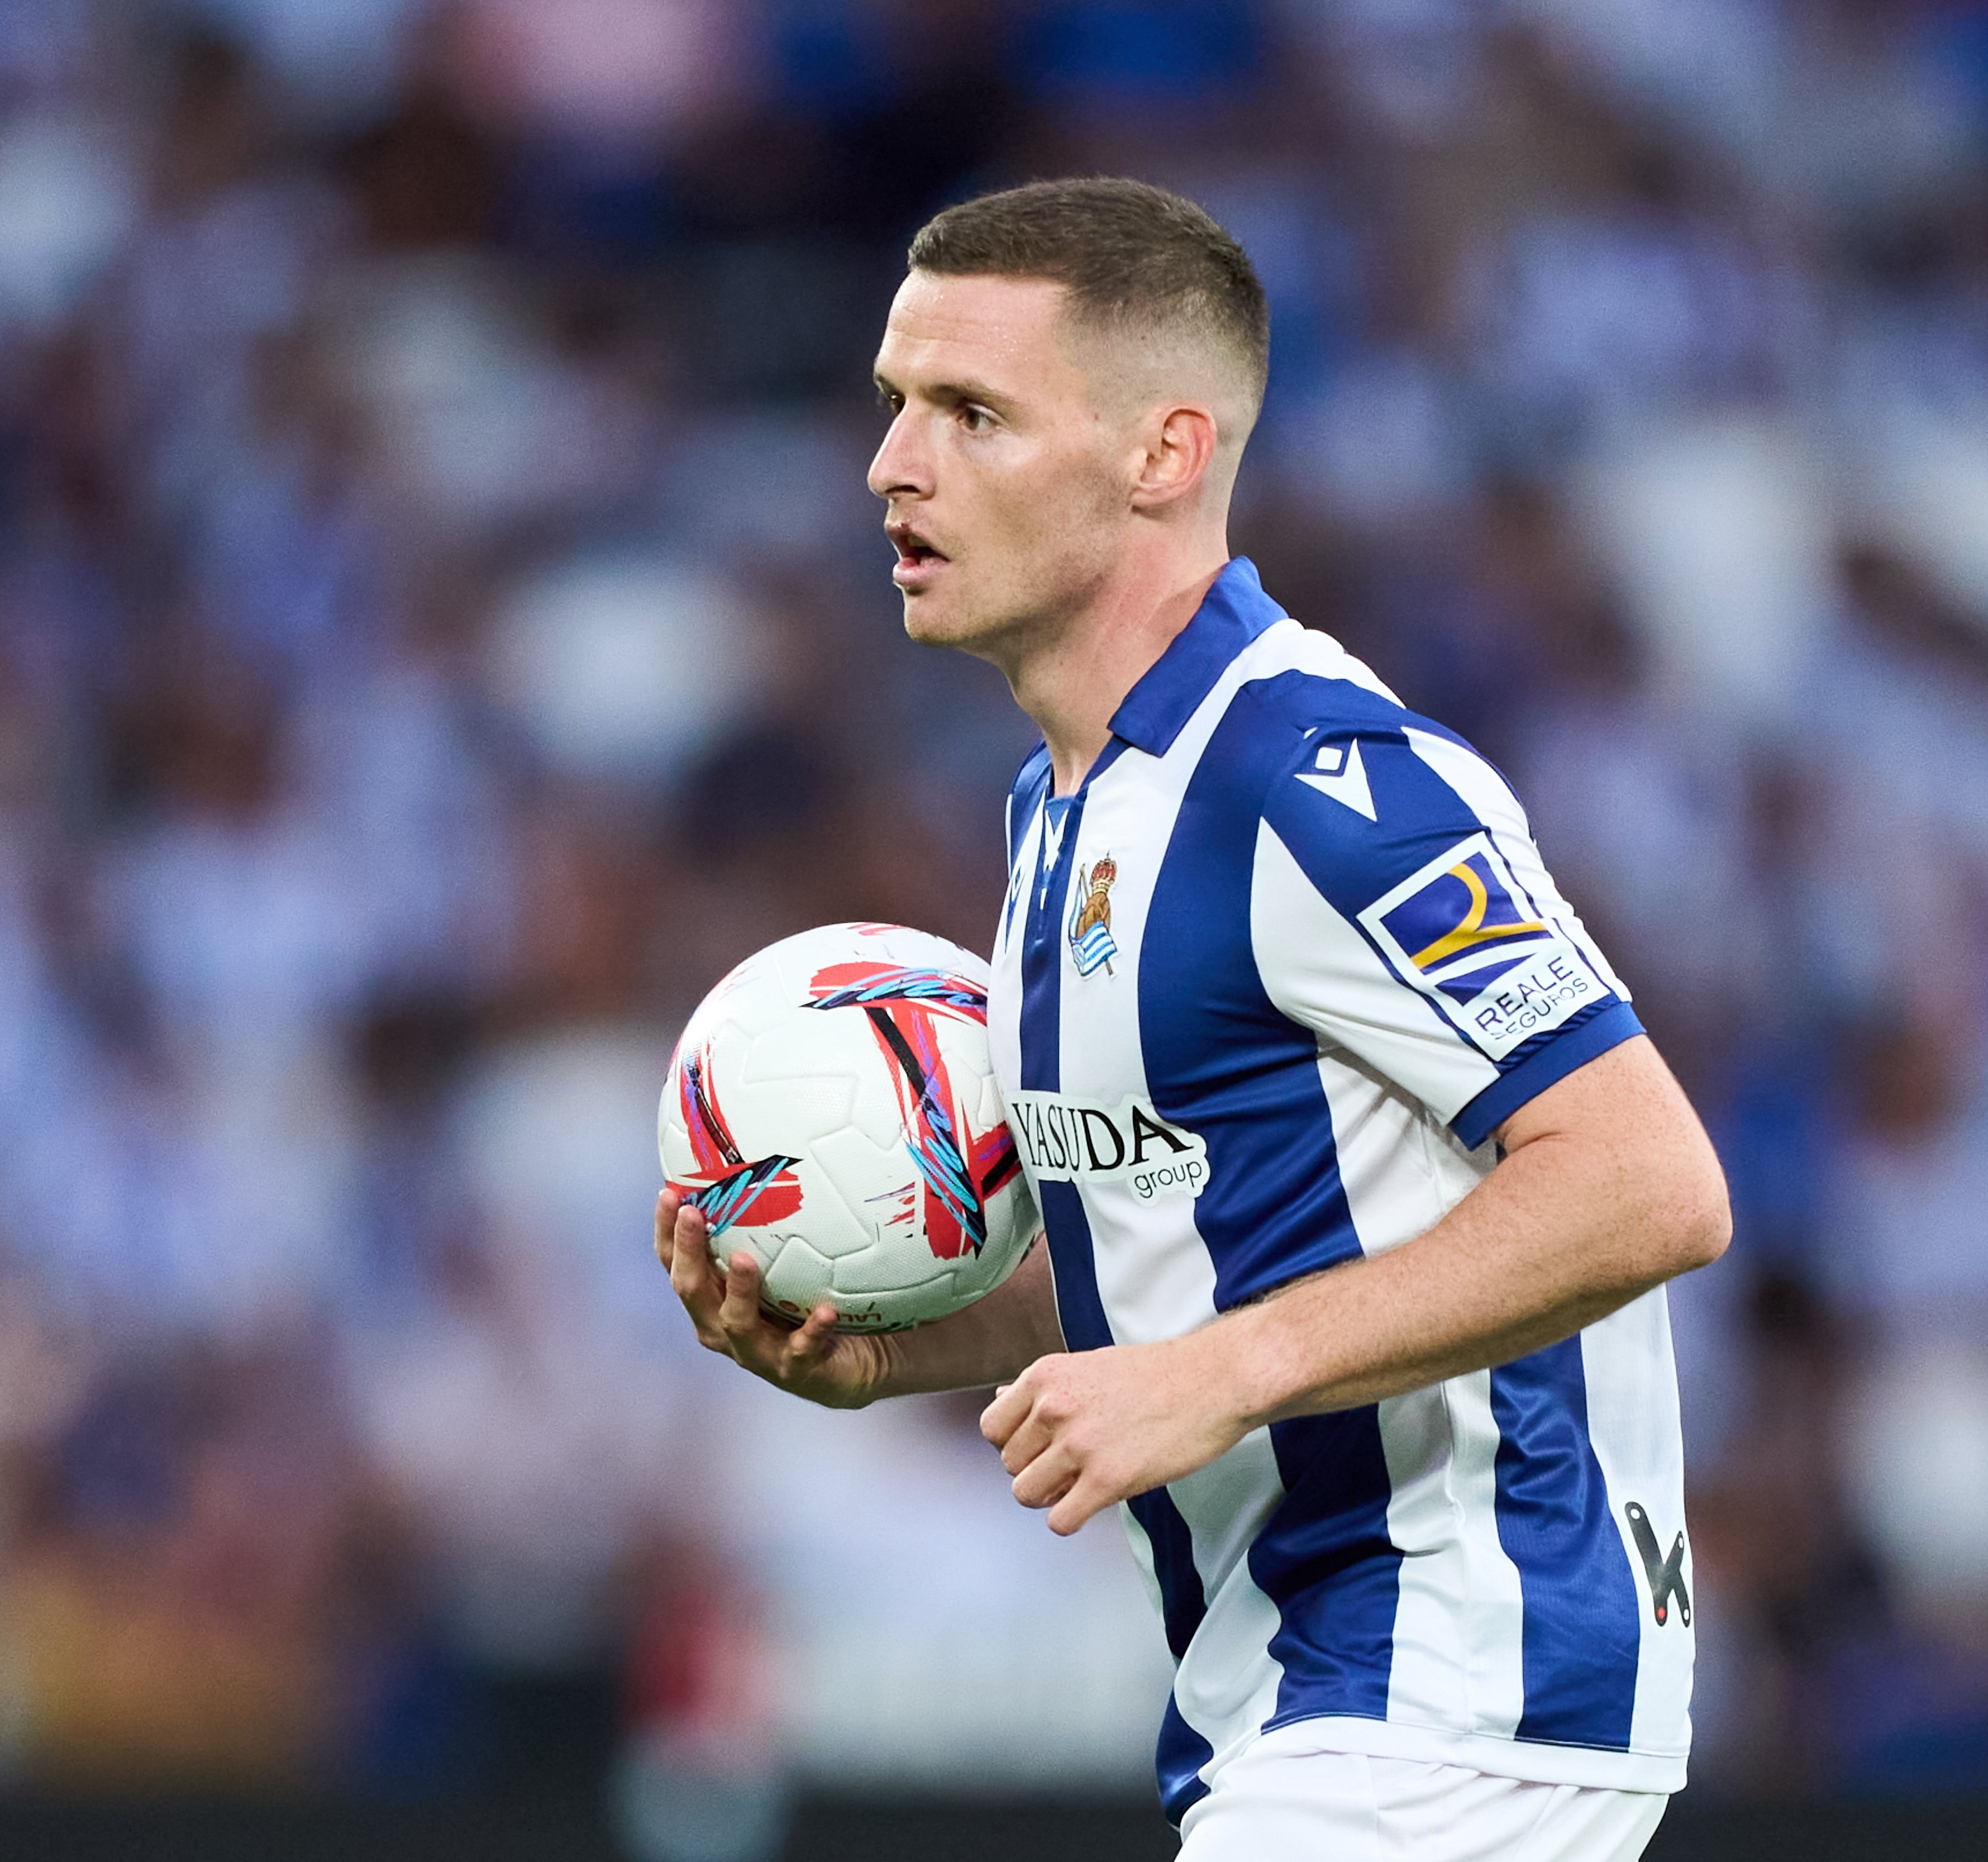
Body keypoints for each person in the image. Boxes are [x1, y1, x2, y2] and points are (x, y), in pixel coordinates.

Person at [659, 177, 1729, 1861]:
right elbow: (1184, 1241)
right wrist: (895, 1355)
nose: (893, 465)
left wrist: (1230, 1373)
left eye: (972, 413)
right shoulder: (1060, 812)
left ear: (1161, 455)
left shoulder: (1315, 783)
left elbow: (1650, 1181)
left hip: (1455, 1690)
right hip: (1293, 1706)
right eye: (894, 406)